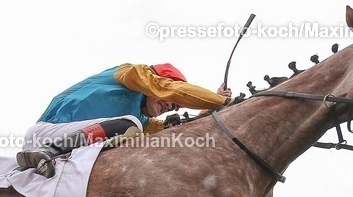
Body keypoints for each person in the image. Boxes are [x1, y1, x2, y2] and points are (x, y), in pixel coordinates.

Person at [16, 63, 231, 177]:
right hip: (44, 135)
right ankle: (50, 151)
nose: (169, 107)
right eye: (170, 100)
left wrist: (216, 108)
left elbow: (177, 130)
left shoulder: (143, 121)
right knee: (129, 126)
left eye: (174, 106)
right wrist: (216, 100)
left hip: (71, 149)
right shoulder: (130, 73)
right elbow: (167, 88)